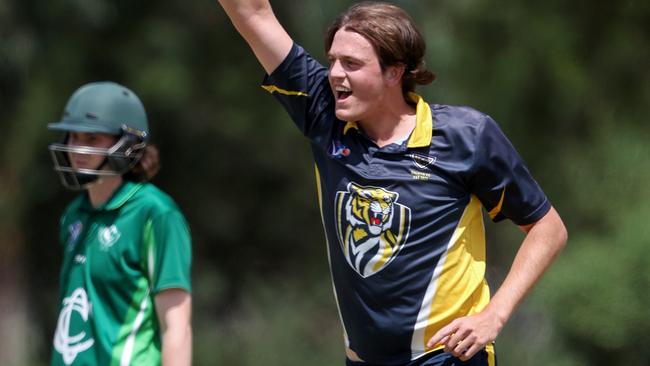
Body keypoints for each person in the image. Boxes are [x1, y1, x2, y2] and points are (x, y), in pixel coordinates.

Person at [216, 1, 567, 365]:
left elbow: (548, 228)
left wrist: (495, 314)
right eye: (332, 59)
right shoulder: (326, 118)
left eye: (351, 64)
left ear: (394, 72)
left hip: (445, 358)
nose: (334, 73)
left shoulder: (467, 136)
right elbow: (253, 14)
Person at [47, 81, 192, 366]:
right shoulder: (74, 215)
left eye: (92, 140)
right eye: (73, 137)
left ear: (127, 145)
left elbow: (177, 327)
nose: (77, 149)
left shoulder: (155, 214)